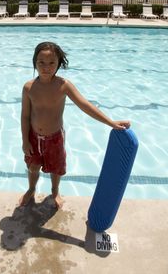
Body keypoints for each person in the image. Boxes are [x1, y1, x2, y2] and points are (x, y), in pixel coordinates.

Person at [19, 41, 130, 208]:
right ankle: (31, 189)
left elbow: (85, 105)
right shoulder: (28, 87)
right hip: (33, 137)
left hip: (54, 137)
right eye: (41, 62)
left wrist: (110, 122)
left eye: (51, 63)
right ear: (34, 61)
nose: (46, 67)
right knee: (33, 166)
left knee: (56, 169)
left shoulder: (63, 85)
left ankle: (55, 191)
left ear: (58, 64)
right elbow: (25, 116)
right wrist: (25, 140)